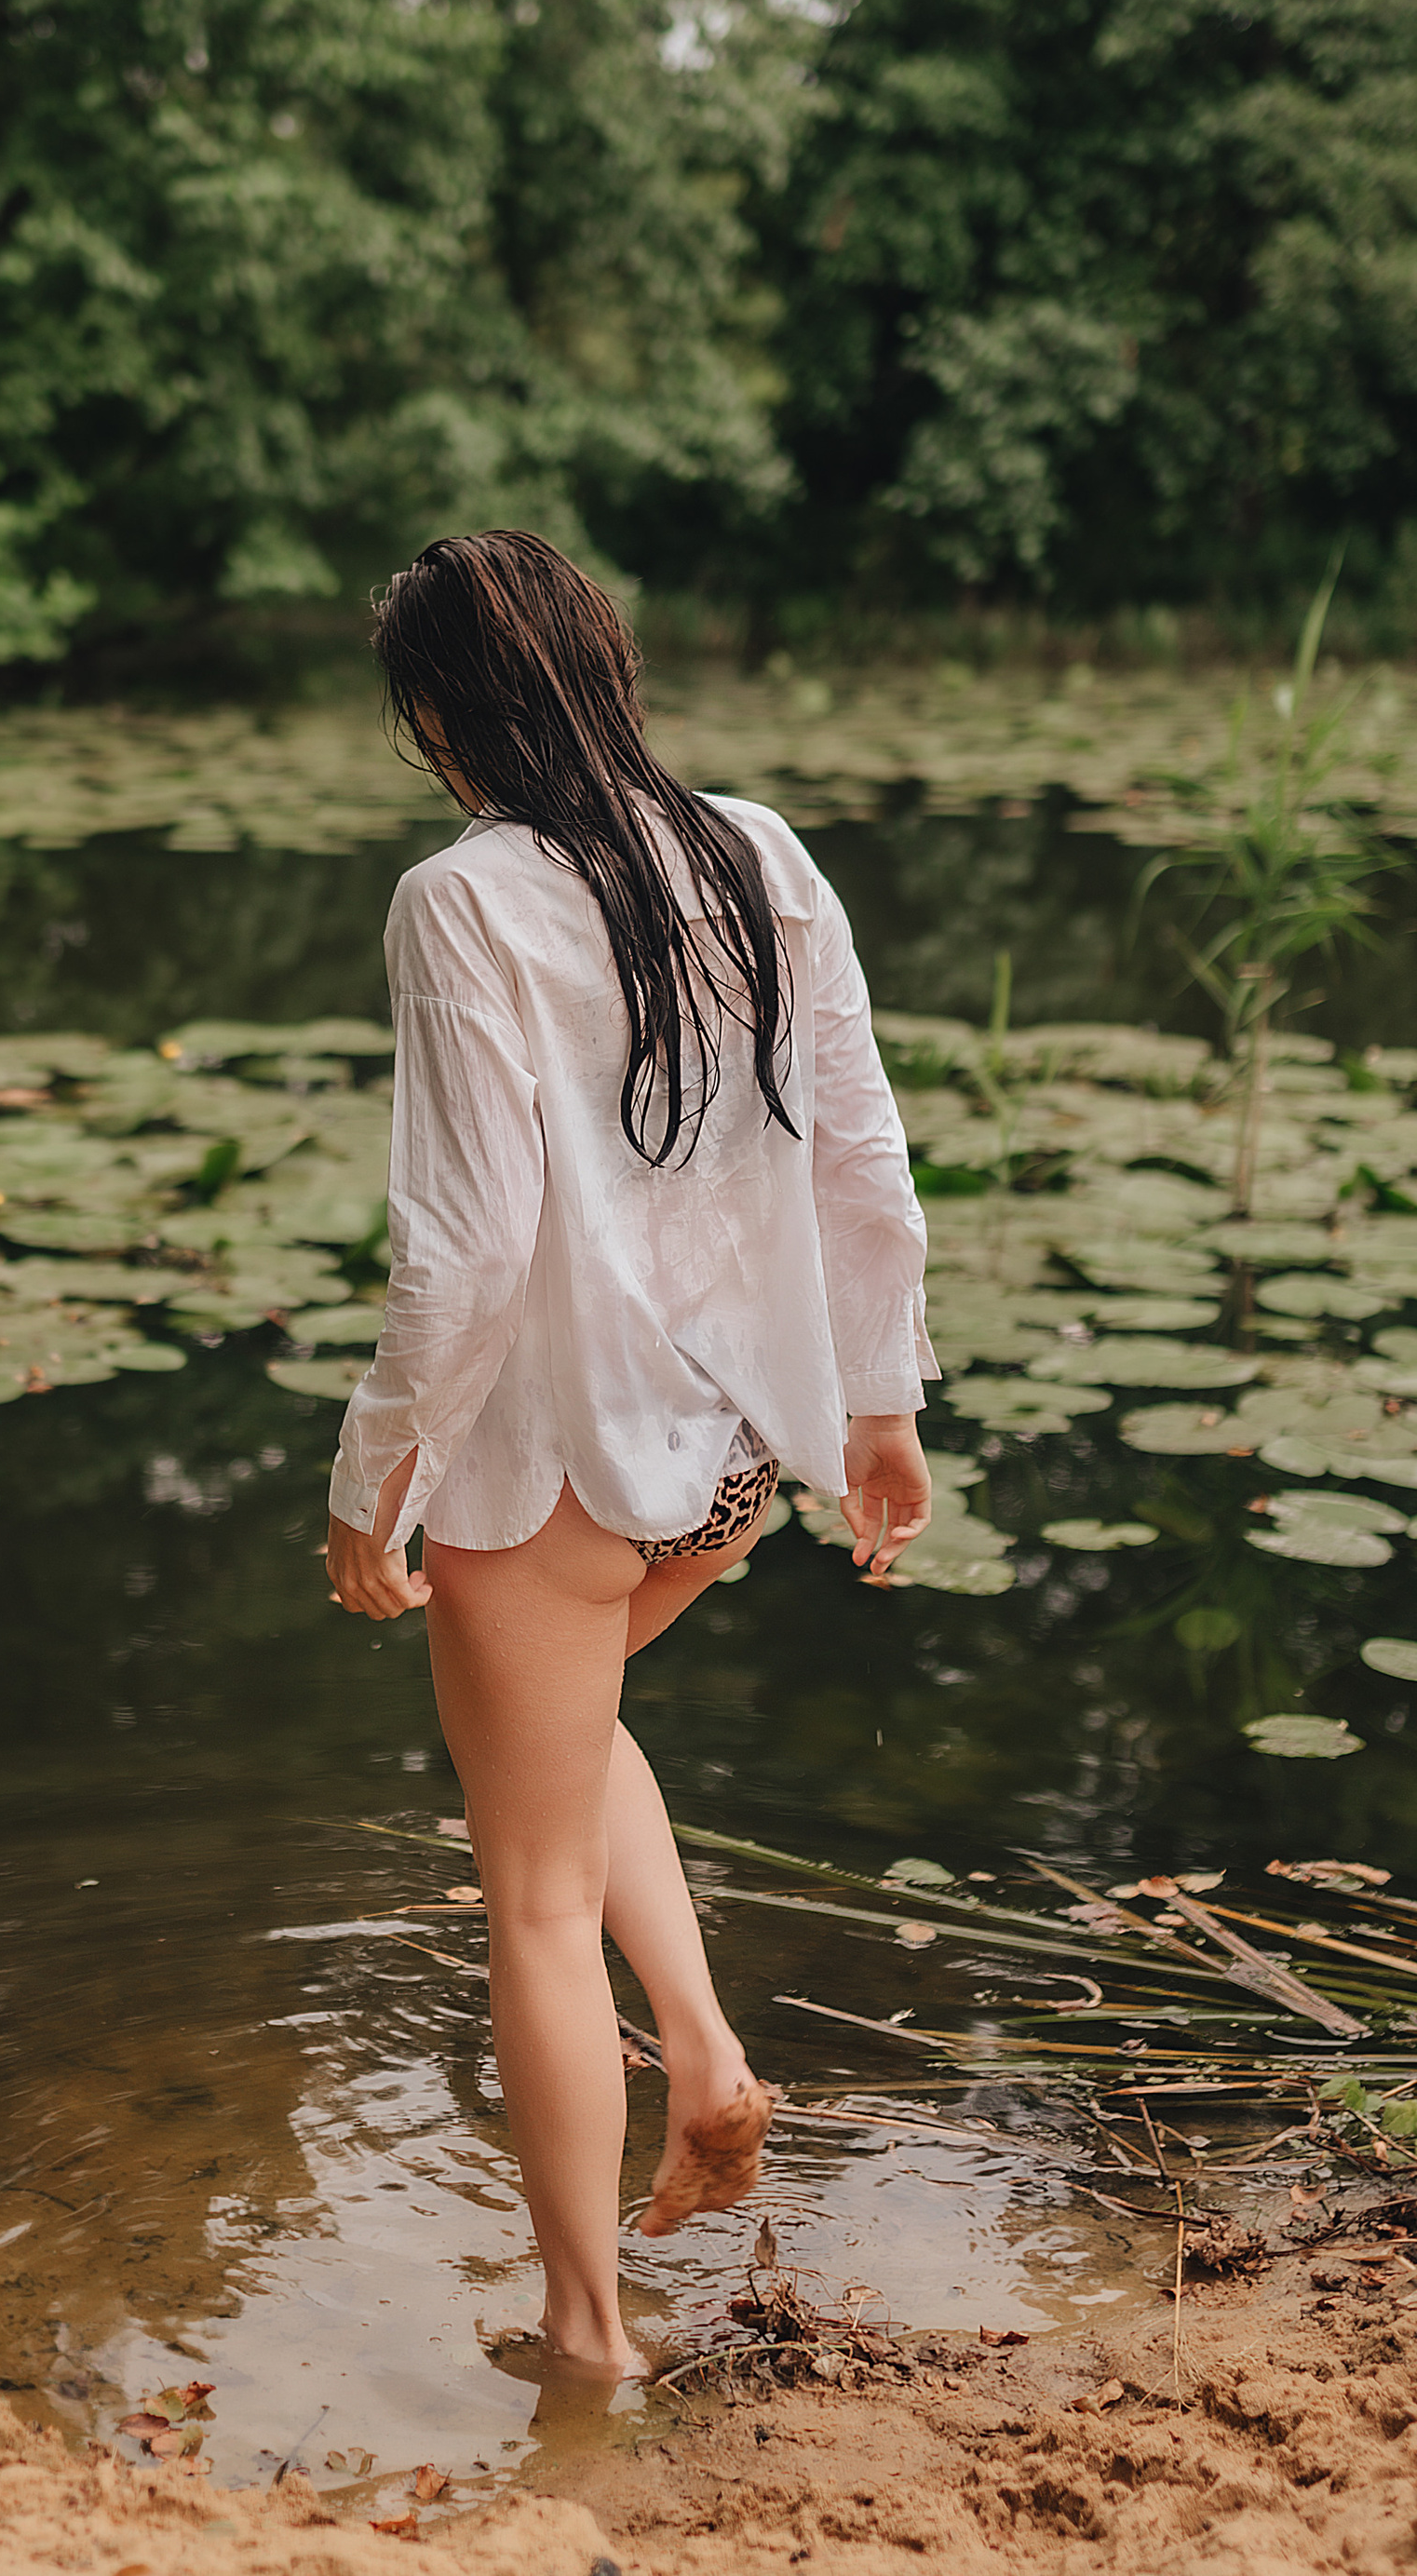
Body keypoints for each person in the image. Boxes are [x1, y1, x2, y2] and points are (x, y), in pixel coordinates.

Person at [324, 531, 935, 2382]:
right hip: (731, 1450)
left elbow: (460, 1244)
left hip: (557, 1454)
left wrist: (373, 1473)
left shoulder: (461, 898)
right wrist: (877, 1404)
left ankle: (586, 2332)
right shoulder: (752, 844)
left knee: (519, 1884)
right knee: (570, 1729)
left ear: (439, 711)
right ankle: (711, 2054)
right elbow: (857, 1141)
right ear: (604, 661)